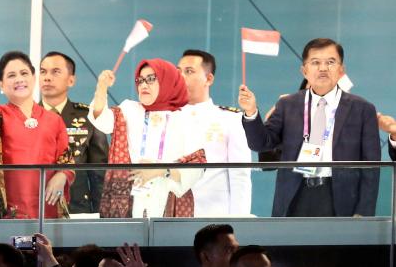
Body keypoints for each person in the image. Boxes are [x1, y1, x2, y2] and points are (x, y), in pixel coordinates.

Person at [238, 38, 380, 217]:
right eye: (315, 62)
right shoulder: (287, 105)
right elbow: (261, 144)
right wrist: (251, 112)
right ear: (304, 71)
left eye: (330, 62)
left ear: (341, 70)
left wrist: (364, 212)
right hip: (295, 194)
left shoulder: (363, 109)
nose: (322, 68)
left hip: (341, 197)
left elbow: (372, 168)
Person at [0, 51, 75, 219]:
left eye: (24, 73)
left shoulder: (54, 120)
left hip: (47, 210)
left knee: (45, 245)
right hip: (8, 213)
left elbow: (67, 160)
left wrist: (62, 175)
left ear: (34, 78)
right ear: (1, 84)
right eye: (11, 75)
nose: (19, 79)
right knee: (11, 245)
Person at [89, 59, 205, 218]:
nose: (143, 85)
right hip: (130, 198)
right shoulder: (129, 109)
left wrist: (160, 170)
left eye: (151, 79)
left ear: (167, 80)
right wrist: (101, 87)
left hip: (169, 196)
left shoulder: (187, 118)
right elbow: (101, 119)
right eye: (140, 80)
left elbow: (197, 164)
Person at [177, 50, 252, 216]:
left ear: (209, 79)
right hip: (169, 216)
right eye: (178, 71)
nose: (181, 76)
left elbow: (240, 175)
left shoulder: (230, 119)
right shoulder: (166, 116)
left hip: (214, 217)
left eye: (189, 71)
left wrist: (239, 221)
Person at [40, 51, 109, 214]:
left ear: (71, 80)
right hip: (36, 209)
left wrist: (102, 215)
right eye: (43, 71)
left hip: (78, 209)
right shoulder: (27, 117)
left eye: (55, 72)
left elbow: (99, 172)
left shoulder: (88, 116)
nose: (47, 77)